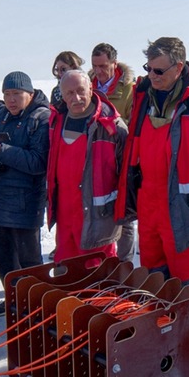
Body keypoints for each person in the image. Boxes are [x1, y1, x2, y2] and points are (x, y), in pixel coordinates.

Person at [115, 37, 189, 291]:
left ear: (179, 68)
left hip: (185, 210)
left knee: (187, 280)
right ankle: (159, 328)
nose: (152, 76)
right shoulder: (144, 95)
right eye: (148, 68)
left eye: (159, 70)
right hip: (149, 205)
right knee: (153, 276)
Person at [0, 71, 50, 317]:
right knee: (2, 256)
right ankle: (15, 300)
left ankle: (37, 306)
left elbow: (38, 162)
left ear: (30, 93)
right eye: (7, 94)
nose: (11, 99)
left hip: (25, 201)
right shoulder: (0, 115)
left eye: (16, 93)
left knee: (29, 260)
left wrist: (0, 149)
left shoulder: (41, 118)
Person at [47, 70, 127, 263]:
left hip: (98, 216)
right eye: (69, 93)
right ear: (62, 95)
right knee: (66, 268)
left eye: (81, 91)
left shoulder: (111, 126)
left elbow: (128, 175)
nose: (76, 98)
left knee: (98, 271)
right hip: (66, 213)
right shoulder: (56, 121)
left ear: (91, 88)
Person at [91, 42, 138, 261]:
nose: (98, 71)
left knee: (124, 214)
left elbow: (134, 123)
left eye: (103, 66)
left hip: (121, 158)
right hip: (94, 160)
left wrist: (112, 127)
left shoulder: (129, 90)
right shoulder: (87, 88)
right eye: (95, 66)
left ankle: (125, 262)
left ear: (114, 64)